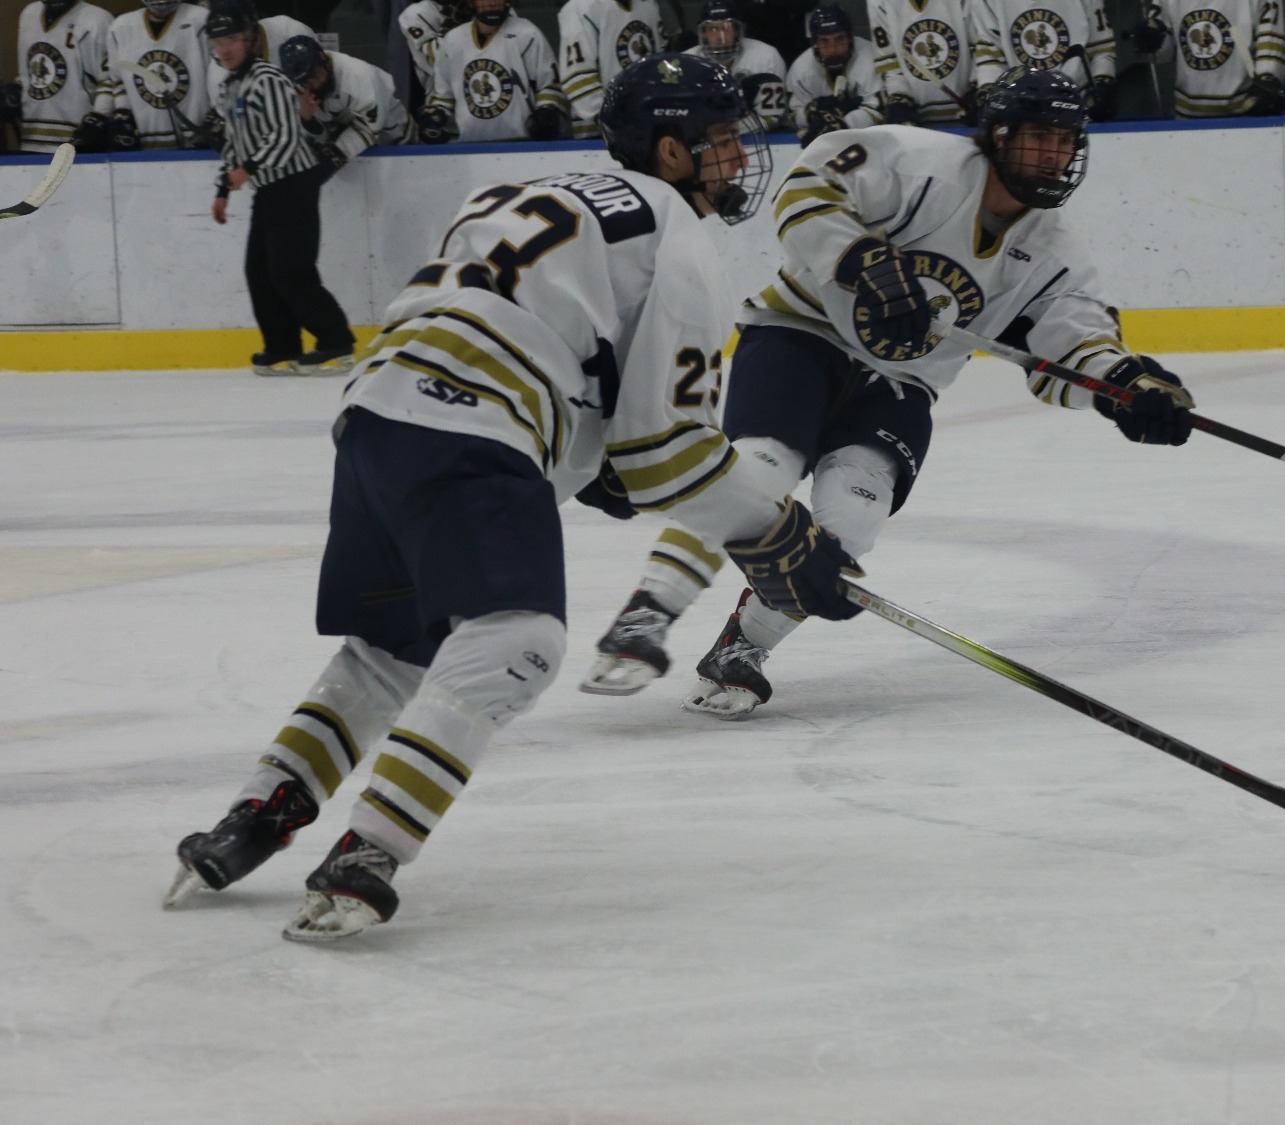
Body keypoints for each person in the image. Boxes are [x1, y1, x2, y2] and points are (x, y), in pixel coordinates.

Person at [164, 53, 861, 942]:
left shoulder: (533, 193)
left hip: (376, 411)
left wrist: (597, 462)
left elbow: (571, 383)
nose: (737, 158)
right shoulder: (677, 234)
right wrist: (782, 539)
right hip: (473, 422)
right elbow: (666, 455)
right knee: (518, 642)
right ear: (672, 149)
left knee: (392, 647)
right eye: (722, 139)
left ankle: (254, 812)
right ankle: (367, 851)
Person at [578, 67, 1196, 718]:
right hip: (802, 333)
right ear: (998, 135)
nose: (1053, 153)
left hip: (903, 381)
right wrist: (864, 261)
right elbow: (809, 185)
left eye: (1066, 141)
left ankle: (743, 644)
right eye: (1039, 136)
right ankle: (649, 609)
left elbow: (1072, 342)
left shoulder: (1056, 249)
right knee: (757, 475)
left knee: (851, 519)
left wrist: (1127, 386)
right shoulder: (921, 162)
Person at [208, 0, 357, 376]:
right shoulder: (230, 87)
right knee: (259, 273)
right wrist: (223, 187)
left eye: (230, 40)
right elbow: (234, 141)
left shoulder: (269, 80)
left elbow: (286, 135)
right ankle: (282, 347)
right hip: (270, 188)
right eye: (217, 42)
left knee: (292, 272)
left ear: (249, 40)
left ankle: (337, 343)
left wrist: (248, 168)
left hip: (294, 185)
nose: (224, 50)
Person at [419, 0, 563, 143]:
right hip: (468, 148)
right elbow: (444, 97)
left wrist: (547, 110)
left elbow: (549, 85)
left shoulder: (526, 33)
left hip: (523, 144)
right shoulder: (452, 40)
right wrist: (435, 118)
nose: (492, 2)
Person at [1129, 0, 1285, 118]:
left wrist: (1268, 78)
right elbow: (1165, 52)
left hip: (1246, 114)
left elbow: (1270, 37)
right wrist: (1152, 39)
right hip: (1188, 117)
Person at [969, 0, 1116, 120]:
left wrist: (1101, 84)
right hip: (1020, 115)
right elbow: (991, 54)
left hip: (1077, 110)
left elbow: (1100, 48)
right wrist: (988, 95)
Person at [99, 0, 212, 150]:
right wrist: (123, 113)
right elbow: (117, 80)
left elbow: (220, 77)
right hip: (145, 146)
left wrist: (218, 114)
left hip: (198, 144)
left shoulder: (202, 20)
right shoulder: (121, 28)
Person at [280, 34, 407, 160]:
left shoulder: (359, 77)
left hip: (396, 138)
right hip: (346, 147)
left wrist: (333, 156)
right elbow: (317, 138)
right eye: (306, 81)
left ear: (323, 58)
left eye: (316, 75)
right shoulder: (300, 90)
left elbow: (370, 129)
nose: (315, 85)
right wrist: (307, 121)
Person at [13, 0, 114, 152]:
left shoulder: (97, 19)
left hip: (78, 141)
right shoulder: (29, 14)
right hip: (32, 139)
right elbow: (27, 73)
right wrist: (16, 89)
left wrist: (98, 119)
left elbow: (111, 80)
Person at [558, 0, 664, 138]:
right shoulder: (580, 7)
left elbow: (661, 62)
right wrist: (607, 116)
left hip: (649, 124)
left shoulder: (649, 5)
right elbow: (576, 73)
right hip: (598, 132)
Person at [868, 0, 976, 126]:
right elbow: (892, 68)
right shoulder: (879, 3)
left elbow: (982, 49)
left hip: (968, 119)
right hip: (920, 123)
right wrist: (900, 100)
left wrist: (977, 90)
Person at [785, 5, 882, 144]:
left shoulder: (870, 58)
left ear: (850, 38)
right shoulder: (801, 69)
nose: (833, 49)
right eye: (824, 41)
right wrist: (814, 112)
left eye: (839, 39)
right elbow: (793, 116)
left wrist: (837, 127)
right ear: (815, 43)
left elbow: (877, 111)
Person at [690, 0, 788, 130]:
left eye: (727, 28)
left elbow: (772, 116)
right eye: (713, 29)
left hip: (762, 136)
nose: (721, 37)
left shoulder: (767, 57)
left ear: (738, 31)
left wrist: (724, 131)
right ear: (703, 33)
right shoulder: (686, 63)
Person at [398, 0, 470, 104]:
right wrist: (453, 23)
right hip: (443, 93)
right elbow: (436, 57)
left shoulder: (478, 6)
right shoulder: (416, 12)